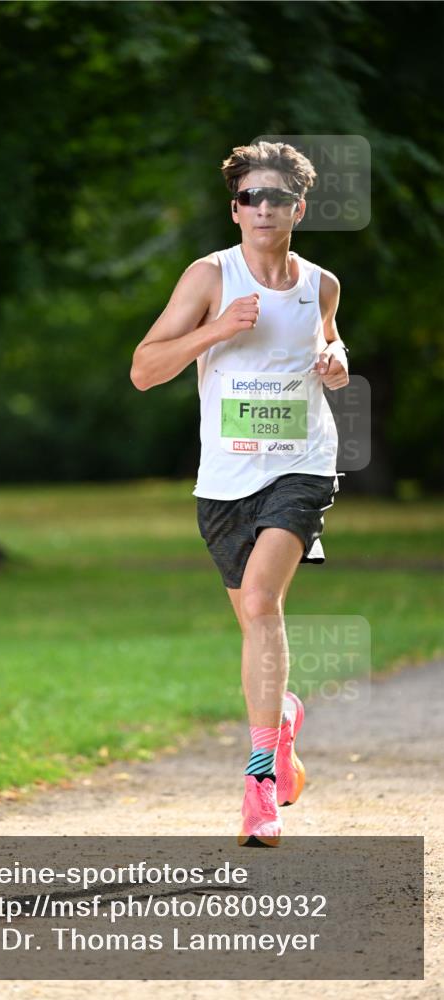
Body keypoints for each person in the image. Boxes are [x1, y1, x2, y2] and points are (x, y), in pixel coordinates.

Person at [130, 140, 349, 847]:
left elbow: (329, 346)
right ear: (235, 209)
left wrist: (335, 359)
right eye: (251, 198)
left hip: (301, 464)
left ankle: (258, 784)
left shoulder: (320, 284)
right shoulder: (207, 278)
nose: (264, 209)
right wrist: (217, 329)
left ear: (297, 209)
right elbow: (143, 369)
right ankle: (280, 720)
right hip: (224, 481)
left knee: (261, 603)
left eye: (277, 198)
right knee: (255, 624)